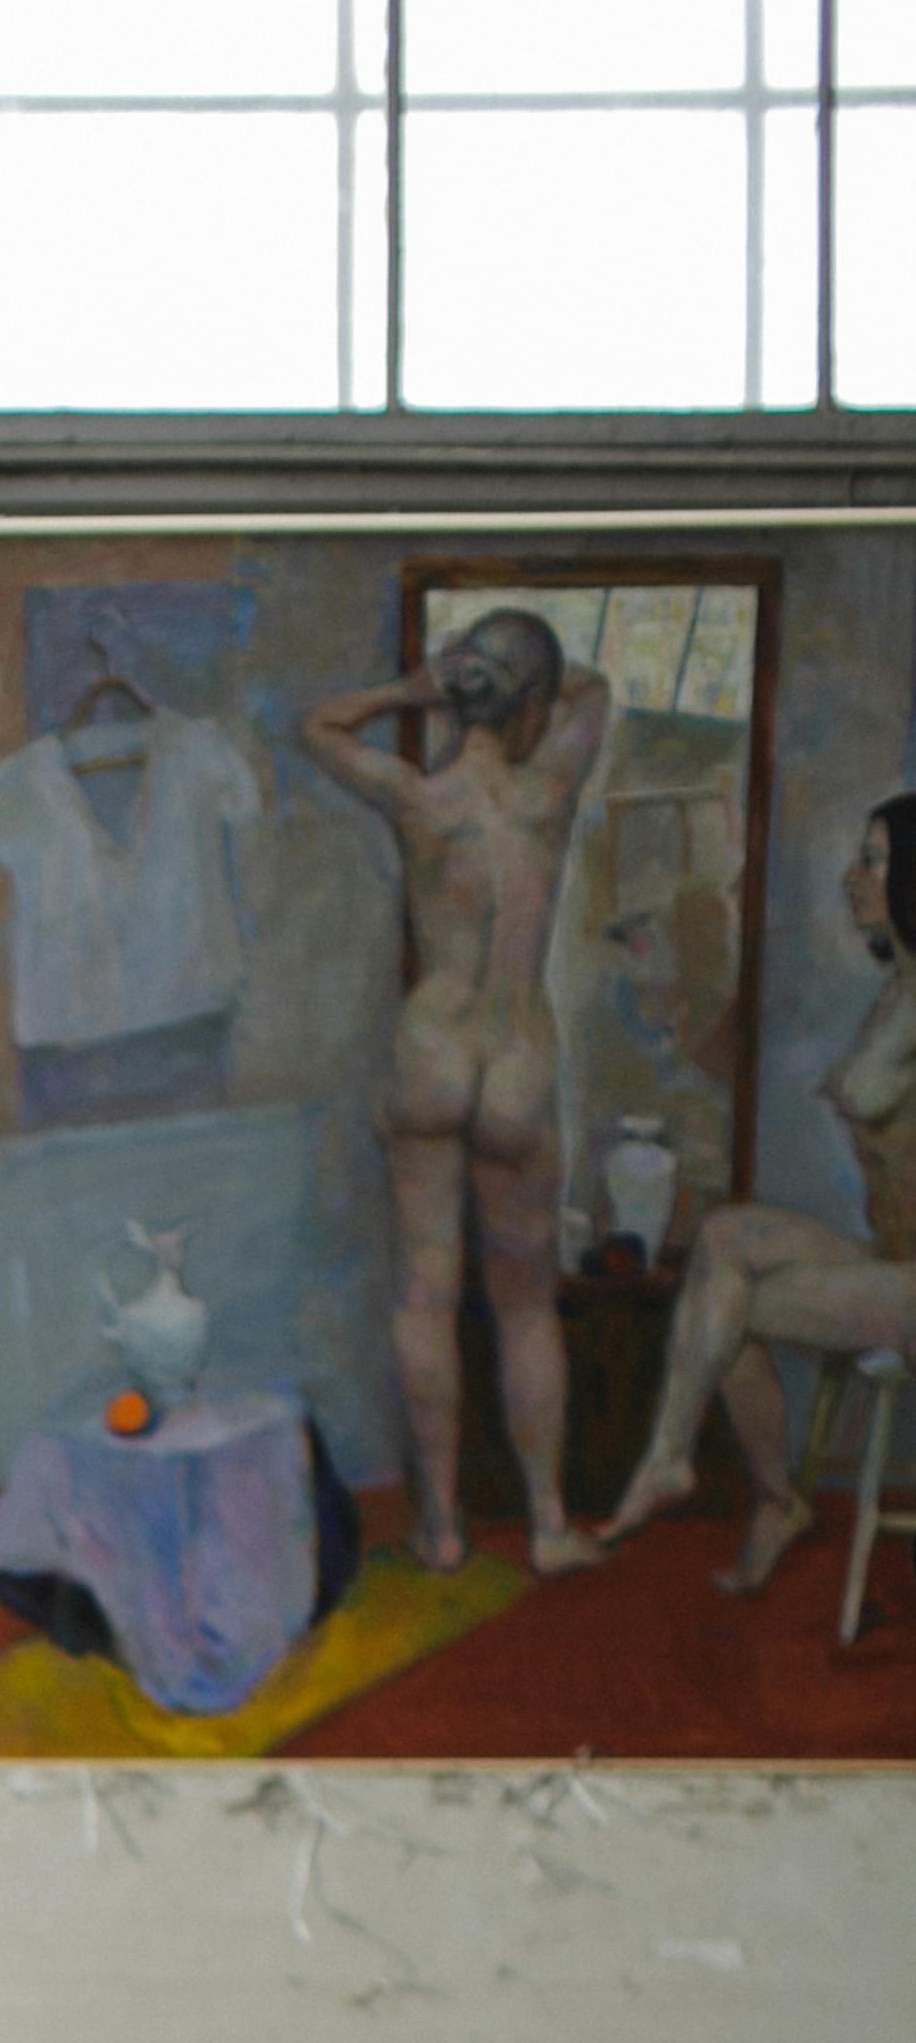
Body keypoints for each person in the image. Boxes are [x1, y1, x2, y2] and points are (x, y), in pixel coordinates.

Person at [303, 607, 613, 1581]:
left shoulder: (417, 799)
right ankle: (550, 1522)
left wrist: (415, 689)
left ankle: (441, 1529)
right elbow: (593, 689)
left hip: (433, 1051)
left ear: (462, 692)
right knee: (527, 1309)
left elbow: (317, 728)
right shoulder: (551, 791)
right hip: (517, 1057)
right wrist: (515, 678)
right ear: (529, 704)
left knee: (425, 1301)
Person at [600, 798, 916, 1590]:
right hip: (895, 1258)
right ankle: (683, 1461)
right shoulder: (900, 988)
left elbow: (878, 1094)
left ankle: (758, 1493)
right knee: (724, 1238)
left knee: (725, 1307)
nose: (853, 878)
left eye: (874, 860)